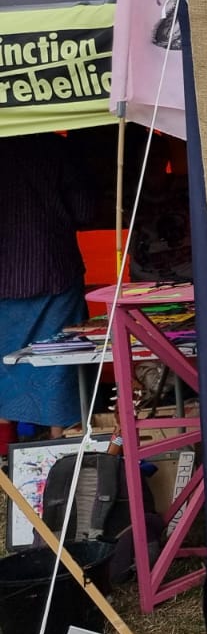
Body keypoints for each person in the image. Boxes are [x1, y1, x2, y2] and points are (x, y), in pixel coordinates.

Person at [0, 132, 100, 447]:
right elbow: (85, 210)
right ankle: (61, 447)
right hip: (52, 265)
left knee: (3, 366)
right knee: (59, 359)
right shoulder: (55, 147)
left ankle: (5, 455)